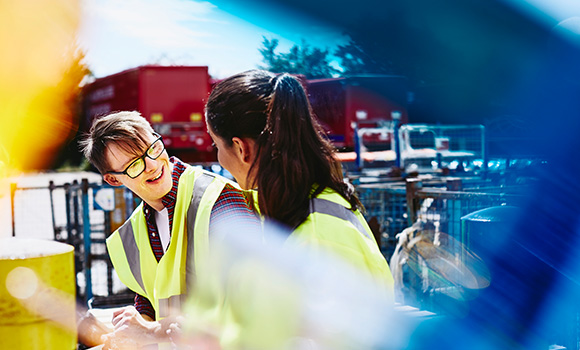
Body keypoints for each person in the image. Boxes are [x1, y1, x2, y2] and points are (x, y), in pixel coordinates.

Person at [80, 111, 259, 349]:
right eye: (135, 164)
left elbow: (255, 304)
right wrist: (135, 327)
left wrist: (151, 332)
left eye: (153, 148)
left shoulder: (217, 200)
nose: (152, 166)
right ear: (114, 180)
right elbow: (152, 297)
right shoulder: (136, 230)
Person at [205, 69, 395, 293]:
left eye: (216, 145)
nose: (217, 155)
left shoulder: (317, 239)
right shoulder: (302, 203)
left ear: (240, 148)